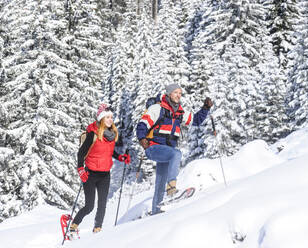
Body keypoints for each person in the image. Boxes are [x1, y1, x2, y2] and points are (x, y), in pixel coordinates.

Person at [136, 84, 213, 215]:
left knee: (160, 184)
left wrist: (205, 108)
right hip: (153, 147)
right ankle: (172, 188)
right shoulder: (157, 108)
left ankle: (156, 212)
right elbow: (142, 124)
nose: (178, 95)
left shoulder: (179, 112)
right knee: (176, 154)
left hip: (166, 151)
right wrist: (142, 138)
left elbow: (196, 120)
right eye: (176, 92)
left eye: (180, 93)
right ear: (169, 94)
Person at [70, 104, 131, 234]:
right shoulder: (93, 134)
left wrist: (120, 157)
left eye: (111, 117)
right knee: (89, 206)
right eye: (107, 117)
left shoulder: (111, 134)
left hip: (105, 174)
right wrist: (81, 169)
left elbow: (109, 151)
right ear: (101, 119)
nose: (110, 120)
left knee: (102, 204)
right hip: (90, 174)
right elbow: (81, 153)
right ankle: (74, 224)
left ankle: (98, 228)